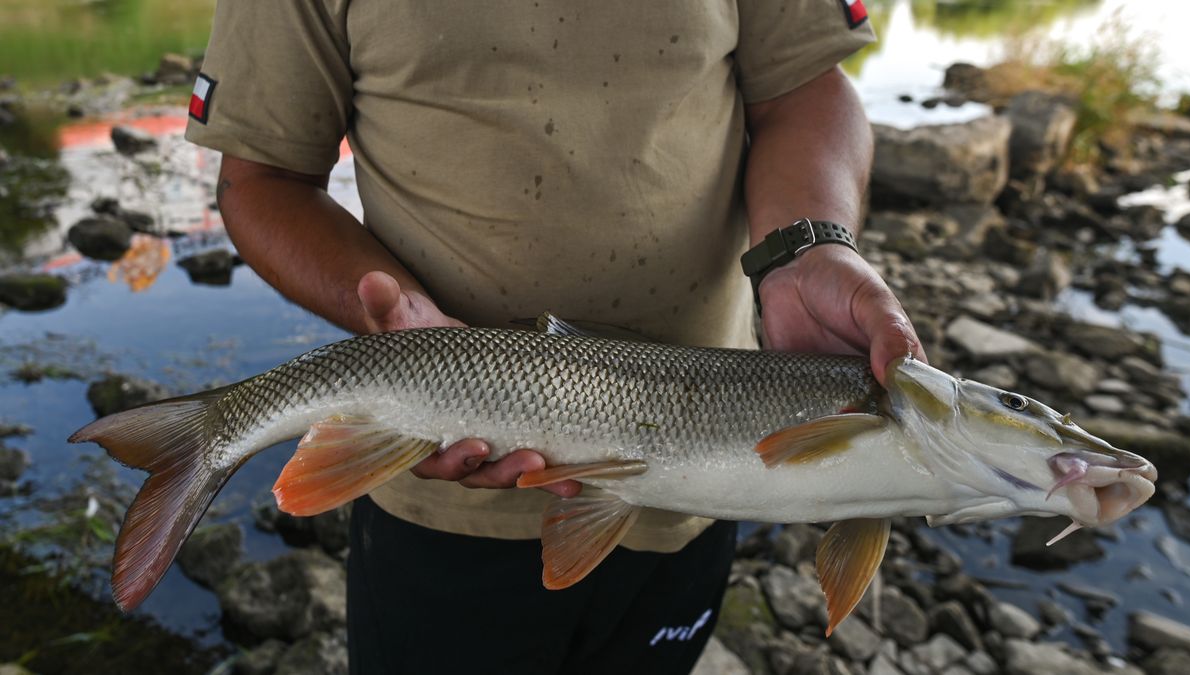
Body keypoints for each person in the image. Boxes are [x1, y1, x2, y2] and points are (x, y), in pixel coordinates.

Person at [185, 1, 925, 672]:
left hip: (706, 479)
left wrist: (809, 248)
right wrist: (394, 314)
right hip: (439, 508)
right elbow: (261, 178)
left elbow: (804, 87)